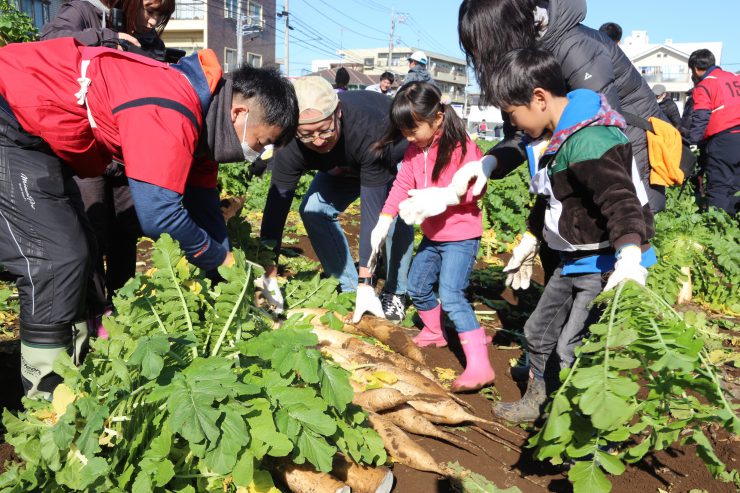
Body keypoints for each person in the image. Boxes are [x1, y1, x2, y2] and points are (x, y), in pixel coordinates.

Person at [0, 37, 298, 398]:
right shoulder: (170, 103)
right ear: (239, 114)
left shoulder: (205, 129)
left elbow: (205, 211)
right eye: (261, 141)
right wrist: (224, 259)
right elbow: (160, 214)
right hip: (10, 116)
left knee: (82, 248)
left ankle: (75, 369)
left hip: (40, 137)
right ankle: (44, 397)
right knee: (56, 258)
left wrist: (235, 280)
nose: (258, 153)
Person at [472, 48, 655, 422]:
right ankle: (539, 394)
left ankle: (577, 421)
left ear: (538, 98)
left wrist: (630, 256)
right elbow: (554, 197)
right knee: (538, 330)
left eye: (511, 114)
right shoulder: (559, 135)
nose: (514, 124)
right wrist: (531, 236)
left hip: (605, 262)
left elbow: (621, 202)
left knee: (573, 346)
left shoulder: (589, 139)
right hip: (574, 260)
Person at [40, 0, 176, 334]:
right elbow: (48, 43)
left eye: (160, 15)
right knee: (93, 231)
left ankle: (124, 307)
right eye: (149, 9)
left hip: (127, 149)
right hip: (88, 147)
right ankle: (92, 314)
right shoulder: (84, 10)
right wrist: (105, 36)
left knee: (125, 231)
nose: (152, 19)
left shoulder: (150, 41)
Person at [370, 82, 493, 392]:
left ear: (438, 118)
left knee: (452, 294)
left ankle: (480, 365)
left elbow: (476, 190)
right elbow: (401, 185)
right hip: (433, 235)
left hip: (461, 235)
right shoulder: (414, 150)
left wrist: (447, 196)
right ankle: (436, 331)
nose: (409, 137)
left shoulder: (460, 146)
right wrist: (385, 219)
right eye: (404, 131)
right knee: (418, 285)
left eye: (413, 129)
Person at [259, 77, 413, 322]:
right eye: (307, 134)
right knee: (313, 210)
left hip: (388, 152)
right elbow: (276, 210)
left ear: (338, 113)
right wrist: (268, 273)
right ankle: (349, 289)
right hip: (343, 164)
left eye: (324, 130)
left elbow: (372, 215)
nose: (318, 140)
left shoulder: (369, 130)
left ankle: (396, 291)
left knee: (394, 217)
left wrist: (367, 282)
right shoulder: (291, 144)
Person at [686, 49, 740, 215]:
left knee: (719, 185)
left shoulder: (706, 84)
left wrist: (693, 142)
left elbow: (701, 116)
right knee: (736, 184)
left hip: (724, 138)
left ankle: (717, 228)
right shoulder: (734, 77)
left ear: (695, 68)